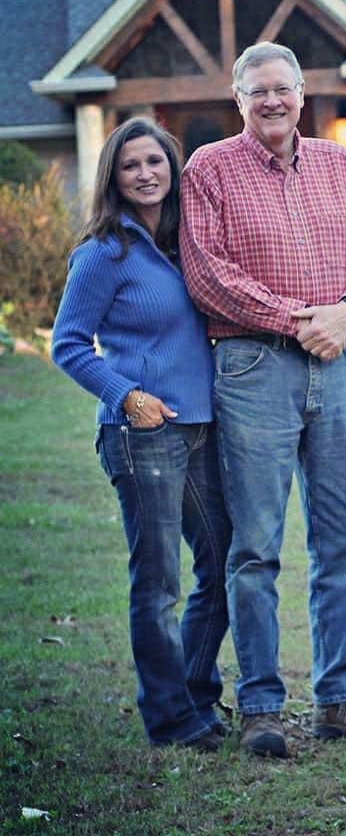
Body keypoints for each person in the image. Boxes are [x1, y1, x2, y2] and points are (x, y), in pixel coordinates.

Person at [179, 42, 346, 758]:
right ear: (238, 98)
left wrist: (345, 310)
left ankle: (342, 697)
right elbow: (206, 273)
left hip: (336, 364)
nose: (271, 101)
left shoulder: (342, 166)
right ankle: (261, 706)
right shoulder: (208, 169)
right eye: (257, 91)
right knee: (254, 545)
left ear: (302, 94)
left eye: (283, 88)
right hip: (252, 366)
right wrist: (296, 319)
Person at [51, 118, 231, 751]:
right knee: (158, 582)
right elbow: (67, 345)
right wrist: (126, 395)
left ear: (171, 168)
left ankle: (196, 695)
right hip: (141, 433)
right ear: (114, 177)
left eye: (155, 160)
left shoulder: (190, 244)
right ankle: (170, 719)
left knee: (227, 564)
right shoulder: (104, 251)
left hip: (204, 429)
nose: (146, 173)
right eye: (131, 165)